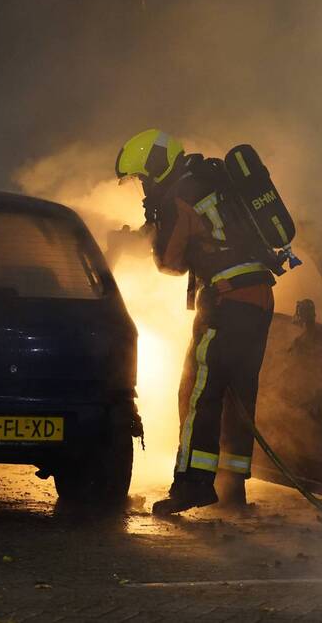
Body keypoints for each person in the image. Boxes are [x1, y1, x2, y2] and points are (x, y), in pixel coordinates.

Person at [115, 128, 276, 515]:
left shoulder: (179, 197)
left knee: (198, 393)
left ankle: (191, 486)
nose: (142, 187)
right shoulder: (214, 182)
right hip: (257, 299)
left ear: (155, 168)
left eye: (141, 178)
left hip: (225, 302)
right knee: (239, 397)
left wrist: (146, 239)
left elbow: (170, 263)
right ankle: (233, 491)